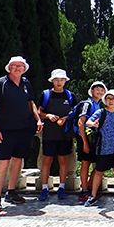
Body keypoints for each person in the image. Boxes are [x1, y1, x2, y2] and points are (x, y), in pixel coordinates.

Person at [0, 57, 43, 212]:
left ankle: (11, 192)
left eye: (20, 66)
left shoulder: (26, 84)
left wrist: (38, 119)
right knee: (3, 163)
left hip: (23, 130)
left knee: (17, 161)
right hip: (5, 131)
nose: (17, 69)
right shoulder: (0, 84)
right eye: (14, 66)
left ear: (24, 69)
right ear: (9, 68)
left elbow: (31, 103)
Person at [84, 90, 114, 206]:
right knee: (99, 172)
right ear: (105, 100)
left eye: (113, 98)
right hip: (103, 148)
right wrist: (93, 124)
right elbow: (88, 122)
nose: (111, 101)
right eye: (109, 98)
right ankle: (93, 196)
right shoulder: (101, 112)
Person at [37, 69, 78, 201]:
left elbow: (76, 112)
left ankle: (61, 187)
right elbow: (39, 111)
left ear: (65, 81)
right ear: (52, 81)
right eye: (57, 80)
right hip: (49, 134)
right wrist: (47, 116)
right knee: (46, 161)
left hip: (64, 134)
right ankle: (44, 188)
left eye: (62, 80)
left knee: (63, 161)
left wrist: (66, 118)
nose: (59, 82)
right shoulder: (46, 94)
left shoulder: (70, 95)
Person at [75, 81, 107, 202]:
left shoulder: (98, 105)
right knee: (86, 163)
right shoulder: (87, 104)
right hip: (85, 137)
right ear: (91, 91)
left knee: (98, 164)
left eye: (102, 90)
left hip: (93, 138)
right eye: (97, 89)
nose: (99, 92)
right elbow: (80, 122)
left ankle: (88, 186)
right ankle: (84, 190)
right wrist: (84, 142)